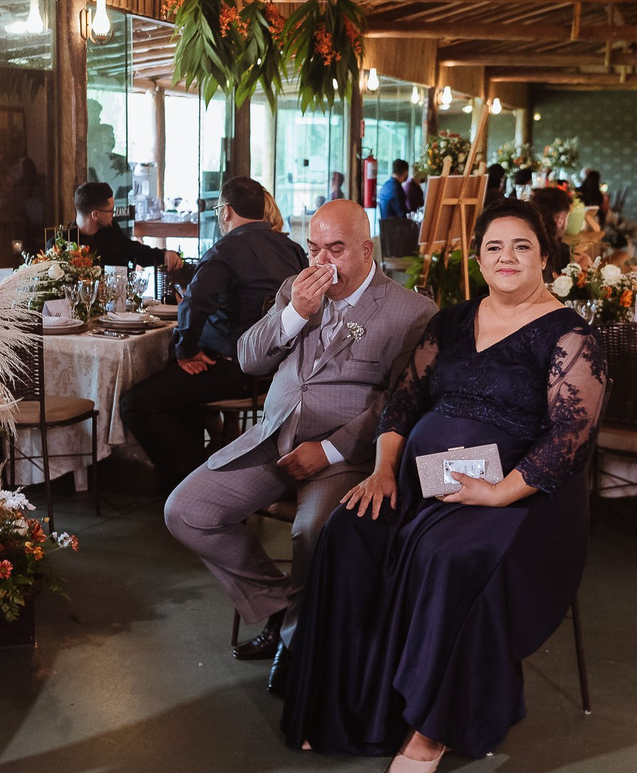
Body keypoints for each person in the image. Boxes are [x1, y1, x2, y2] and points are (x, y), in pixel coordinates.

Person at [280, 198, 605, 773]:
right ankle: (343, 705)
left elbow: (569, 438)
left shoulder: (571, 336)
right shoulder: (452, 322)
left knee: (446, 556)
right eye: (494, 247)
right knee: (349, 530)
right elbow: (403, 402)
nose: (507, 258)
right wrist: (383, 470)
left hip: (523, 499)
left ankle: (430, 726)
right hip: (424, 480)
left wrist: (498, 494)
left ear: (545, 257)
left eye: (522, 246)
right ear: (478, 259)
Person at [165, 200, 436, 688]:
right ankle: (281, 609)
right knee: (186, 511)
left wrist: (329, 450)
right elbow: (248, 360)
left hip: (343, 454)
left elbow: (398, 403)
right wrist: (294, 314)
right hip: (272, 436)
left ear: (366, 250)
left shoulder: (412, 312)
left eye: (336, 250)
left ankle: (296, 645)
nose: (321, 262)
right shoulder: (296, 289)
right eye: (313, 249)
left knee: (311, 531)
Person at [121, 176, 308, 491]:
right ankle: (188, 473)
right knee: (177, 386)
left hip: (233, 370)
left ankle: (199, 479)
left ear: (226, 211)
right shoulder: (292, 249)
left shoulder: (226, 250)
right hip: (278, 372)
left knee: (136, 403)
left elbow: (194, 303)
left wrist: (187, 350)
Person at [65, 180, 182, 271]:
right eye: (111, 210)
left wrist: (164, 255)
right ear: (95, 215)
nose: (114, 214)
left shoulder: (111, 231)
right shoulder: (63, 243)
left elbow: (136, 251)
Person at [377, 157, 418, 258]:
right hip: (395, 233)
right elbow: (402, 215)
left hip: (386, 231)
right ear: (405, 172)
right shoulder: (397, 189)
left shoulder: (386, 186)